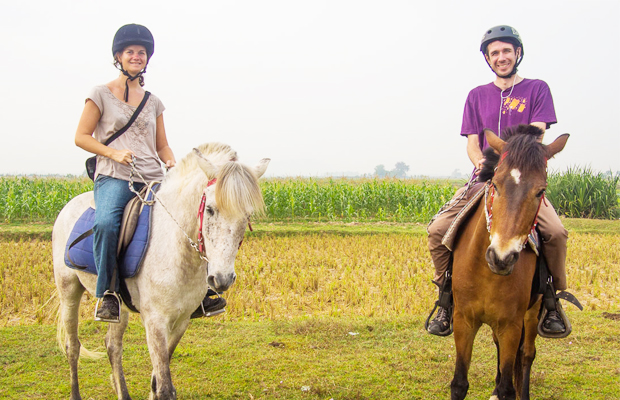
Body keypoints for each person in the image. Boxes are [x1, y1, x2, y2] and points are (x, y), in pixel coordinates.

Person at [75, 23, 225, 323]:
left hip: (152, 178)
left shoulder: (153, 101)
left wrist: (171, 162)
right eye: (130, 51)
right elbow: (81, 136)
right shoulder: (100, 94)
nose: (136, 56)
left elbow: (163, 145)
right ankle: (108, 294)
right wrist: (114, 153)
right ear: (118, 56)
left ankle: (200, 293)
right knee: (106, 224)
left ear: (147, 58)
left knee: (191, 221)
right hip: (115, 176)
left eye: (141, 52)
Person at [426, 25, 569, 337]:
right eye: (495, 53)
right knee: (437, 230)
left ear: (517, 53)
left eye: (507, 51)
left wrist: (509, 156)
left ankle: (553, 302)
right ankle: (446, 299)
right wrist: (478, 160)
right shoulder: (476, 96)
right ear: (487, 59)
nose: (501, 57)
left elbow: (538, 129)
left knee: (555, 233)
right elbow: (471, 141)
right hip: (484, 179)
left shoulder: (537, 88)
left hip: (521, 181)